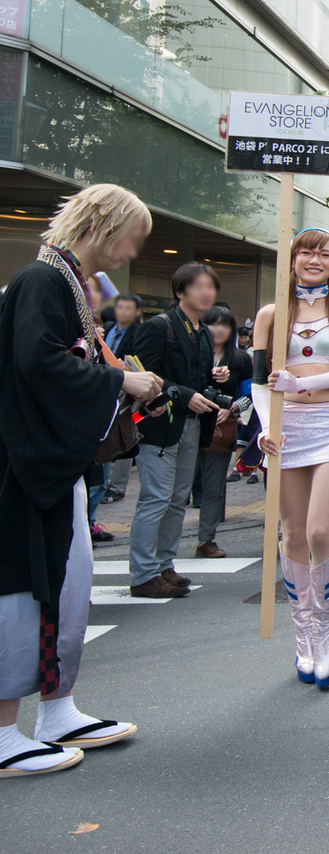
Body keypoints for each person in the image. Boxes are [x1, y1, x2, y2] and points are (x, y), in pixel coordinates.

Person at [0, 183, 161, 777]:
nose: (133, 249)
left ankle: (56, 709)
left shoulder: (63, 283)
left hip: (52, 462)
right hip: (26, 465)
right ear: (104, 224)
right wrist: (121, 383)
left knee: (68, 583)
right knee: (26, 587)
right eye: (133, 235)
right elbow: (37, 363)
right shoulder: (43, 282)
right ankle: (2, 730)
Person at [252, 228, 329, 688]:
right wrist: (266, 426)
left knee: (322, 529)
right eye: (306, 251)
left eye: (324, 252)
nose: (314, 259)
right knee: (293, 533)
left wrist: (302, 384)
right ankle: (304, 633)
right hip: (287, 430)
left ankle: (325, 627)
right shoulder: (271, 313)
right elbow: (261, 381)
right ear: (293, 258)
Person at [126, 263, 223, 597]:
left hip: (193, 425)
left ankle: (165, 565)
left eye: (211, 286)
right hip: (161, 426)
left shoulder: (204, 332)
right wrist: (185, 394)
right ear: (180, 290)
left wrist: (214, 381)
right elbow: (141, 375)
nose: (206, 292)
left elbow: (198, 378)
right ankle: (143, 574)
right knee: (155, 498)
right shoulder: (159, 326)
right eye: (198, 286)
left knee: (177, 500)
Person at [194, 306, 251, 559]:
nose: (218, 329)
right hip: (188, 425)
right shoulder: (192, 353)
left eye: (224, 325)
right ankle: (166, 543)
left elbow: (250, 394)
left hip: (219, 430)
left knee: (214, 488)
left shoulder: (240, 359)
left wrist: (233, 409)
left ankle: (206, 540)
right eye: (212, 324)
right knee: (177, 488)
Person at [100, 294, 143, 503]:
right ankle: (102, 483)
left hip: (124, 389)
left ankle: (117, 487)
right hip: (101, 386)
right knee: (103, 434)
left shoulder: (138, 333)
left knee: (123, 433)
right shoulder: (106, 328)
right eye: (120, 307)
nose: (123, 312)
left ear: (136, 312)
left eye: (128, 308)